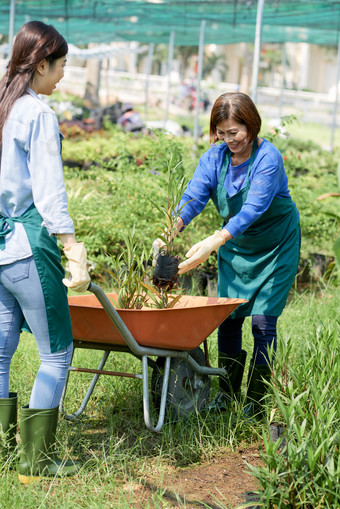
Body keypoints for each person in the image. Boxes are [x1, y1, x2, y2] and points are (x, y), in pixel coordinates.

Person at [153, 92, 300, 419]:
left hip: (275, 244)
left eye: (235, 132)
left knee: (263, 322)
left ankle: (256, 403)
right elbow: (193, 196)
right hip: (236, 245)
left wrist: (213, 240)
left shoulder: (267, 159)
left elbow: (253, 208)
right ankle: (228, 395)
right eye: (222, 132)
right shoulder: (214, 158)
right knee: (229, 317)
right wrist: (170, 229)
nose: (229, 139)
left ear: (252, 125)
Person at [0, 21, 91, 483]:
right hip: (27, 246)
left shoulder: (3, 107)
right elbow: (49, 190)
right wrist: (71, 245)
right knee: (57, 351)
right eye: (61, 66)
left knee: (0, 352)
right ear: (40, 66)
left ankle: (1, 453)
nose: (63, 76)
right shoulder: (37, 114)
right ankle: (34, 463)